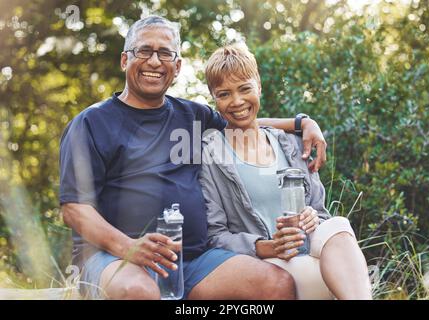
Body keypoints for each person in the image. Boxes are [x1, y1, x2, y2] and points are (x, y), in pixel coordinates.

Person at [59, 15, 327, 300]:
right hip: (115, 257)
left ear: (177, 68)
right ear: (125, 60)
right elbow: (74, 209)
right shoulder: (92, 122)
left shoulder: (192, 116)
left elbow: (243, 120)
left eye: (165, 53)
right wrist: (129, 247)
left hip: (193, 260)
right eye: (144, 51)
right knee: (139, 293)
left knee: (275, 284)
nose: (154, 61)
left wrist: (301, 123)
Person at [200, 43, 373, 300]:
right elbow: (215, 236)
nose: (237, 101)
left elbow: (321, 214)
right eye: (224, 94)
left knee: (338, 225)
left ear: (258, 86)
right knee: (321, 273)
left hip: (313, 253)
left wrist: (313, 218)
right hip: (266, 268)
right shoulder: (210, 153)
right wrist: (267, 247)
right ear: (214, 98)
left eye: (245, 89)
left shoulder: (292, 144)